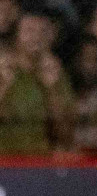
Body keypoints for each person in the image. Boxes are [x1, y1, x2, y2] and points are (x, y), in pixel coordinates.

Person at [0, 11, 75, 154]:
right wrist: (3, 86)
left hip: (39, 163)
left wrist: (52, 90)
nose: (37, 37)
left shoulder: (56, 73)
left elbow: (66, 136)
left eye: (43, 32)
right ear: (15, 36)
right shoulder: (2, 68)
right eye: (29, 31)